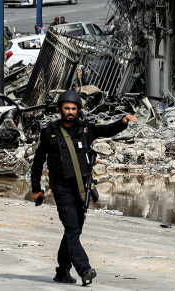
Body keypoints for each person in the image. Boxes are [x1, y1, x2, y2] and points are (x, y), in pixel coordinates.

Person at [30, 90, 138, 286]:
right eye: (67, 108)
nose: (70, 112)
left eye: (73, 108)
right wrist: (36, 189)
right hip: (61, 189)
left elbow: (108, 129)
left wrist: (123, 121)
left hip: (81, 189)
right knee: (72, 228)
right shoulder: (49, 132)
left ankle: (62, 272)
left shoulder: (87, 129)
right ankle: (84, 269)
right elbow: (38, 163)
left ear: (78, 110)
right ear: (60, 110)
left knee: (73, 231)